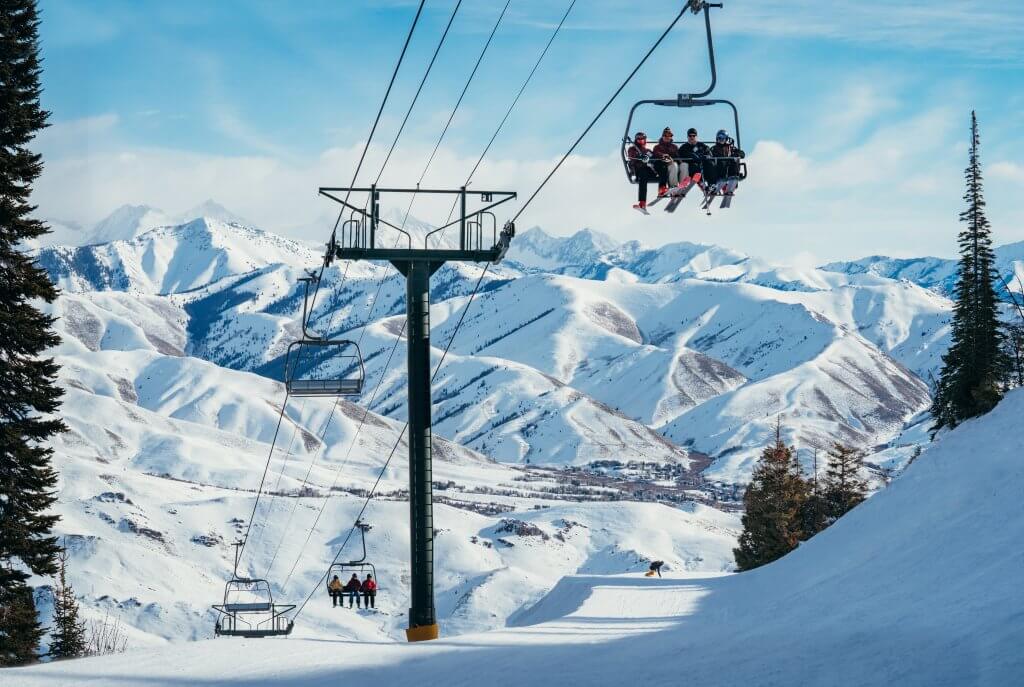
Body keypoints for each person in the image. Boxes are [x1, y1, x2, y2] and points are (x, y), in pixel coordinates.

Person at [626, 131, 658, 213]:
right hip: (639, 170)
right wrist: (640, 157)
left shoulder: (648, 151)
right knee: (643, 177)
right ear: (636, 140)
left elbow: (654, 158)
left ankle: (670, 190)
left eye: (642, 138)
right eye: (639, 139)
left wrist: (652, 160)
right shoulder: (632, 149)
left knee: (662, 170)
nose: (640, 140)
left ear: (645, 139)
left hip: (650, 170)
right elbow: (632, 156)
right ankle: (642, 203)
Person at [651, 127, 681, 196]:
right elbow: (657, 154)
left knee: (674, 165)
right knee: (662, 168)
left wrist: (680, 162)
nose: (667, 137)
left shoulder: (674, 147)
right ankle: (662, 188)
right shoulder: (657, 147)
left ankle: (673, 188)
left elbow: (677, 157)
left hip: (671, 165)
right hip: (661, 164)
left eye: (669, 135)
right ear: (662, 136)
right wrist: (666, 157)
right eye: (665, 135)